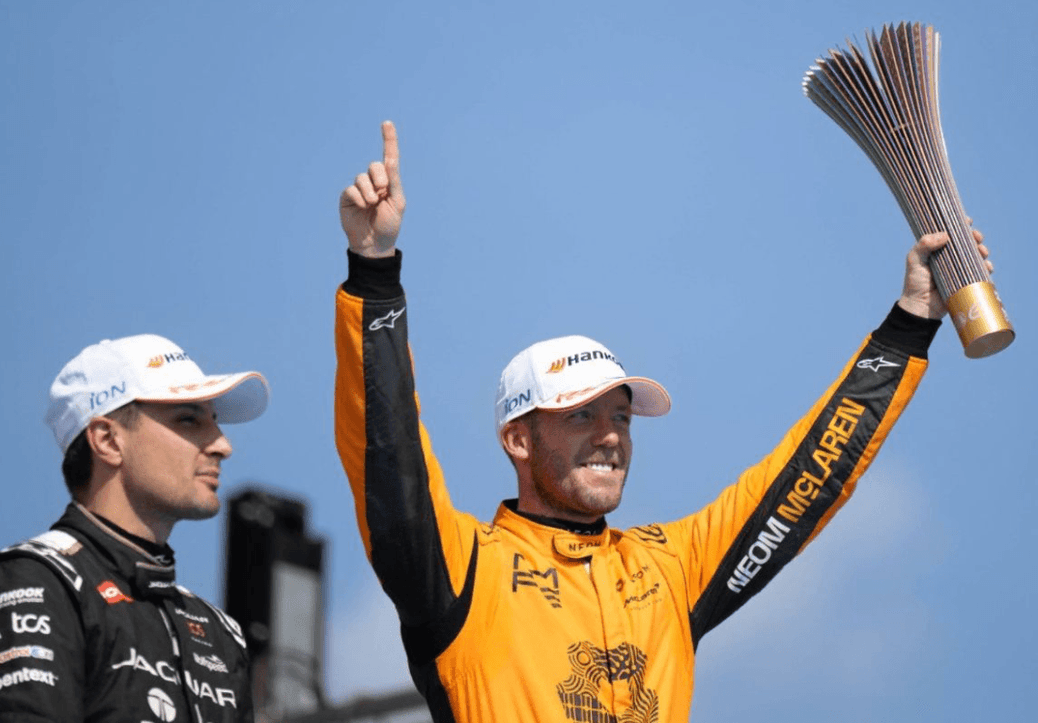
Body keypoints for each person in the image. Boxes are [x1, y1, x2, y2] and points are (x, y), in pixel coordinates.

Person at [333, 121, 993, 722]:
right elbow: (388, 457)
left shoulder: (667, 568)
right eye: (582, 413)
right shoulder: (461, 565)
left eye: (621, 415)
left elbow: (805, 479)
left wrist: (908, 324)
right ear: (517, 438)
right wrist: (373, 274)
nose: (611, 434)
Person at [0, 334, 270, 722]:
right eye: (189, 419)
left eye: (215, 422)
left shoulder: (219, 632)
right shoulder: (32, 582)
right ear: (107, 440)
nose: (222, 445)